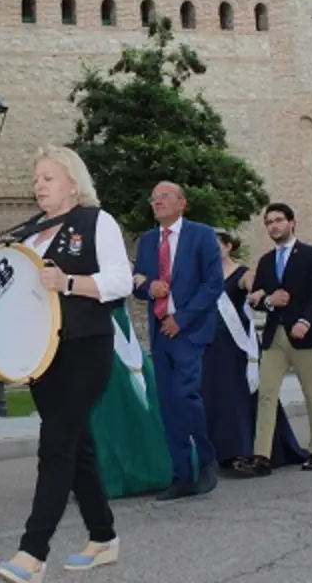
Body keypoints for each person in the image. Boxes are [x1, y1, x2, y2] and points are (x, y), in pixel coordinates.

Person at [0, 145, 131, 583]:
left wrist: (69, 281)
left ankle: (32, 554)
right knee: (77, 446)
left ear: (73, 183)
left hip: (85, 348)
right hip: (45, 354)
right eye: (36, 179)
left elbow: (120, 281)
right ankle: (103, 536)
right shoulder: (32, 233)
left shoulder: (96, 221)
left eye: (48, 178)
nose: (39, 185)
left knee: (55, 446)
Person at [132, 181, 223, 500]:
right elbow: (138, 282)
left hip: (189, 330)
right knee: (168, 403)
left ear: (182, 203)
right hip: (160, 333)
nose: (157, 201)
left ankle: (208, 460)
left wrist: (181, 319)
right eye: (153, 197)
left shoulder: (201, 235)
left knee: (186, 396)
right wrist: (148, 288)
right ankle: (182, 474)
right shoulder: (146, 241)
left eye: (164, 197)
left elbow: (213, 285)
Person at [235, 203, 312, 478]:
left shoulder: (311, 255)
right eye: (269, 222)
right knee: (266, 393)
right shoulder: (265, 261)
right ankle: (262, 455)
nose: (274, 226)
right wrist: (267, 300)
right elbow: (258, 299)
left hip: (303, 335)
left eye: (279, 220)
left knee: (311, 392)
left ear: (292, 223)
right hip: (274, 337)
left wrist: (304, 321)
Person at [203, 228, 309, 472]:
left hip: (238, 345)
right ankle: (222, 451)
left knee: (240, 396)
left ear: (228, 246)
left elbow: (253, 286)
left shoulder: (242, 273)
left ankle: (246, 450)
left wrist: (257, 291)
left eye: (216, 243)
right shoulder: (205, 276)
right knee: (216, 396)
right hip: (212, 344)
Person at [88, 298, 174, 499]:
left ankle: (139, 469)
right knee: (107, 409)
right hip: (97, 325)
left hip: (115, 323)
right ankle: (109, 470)